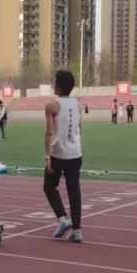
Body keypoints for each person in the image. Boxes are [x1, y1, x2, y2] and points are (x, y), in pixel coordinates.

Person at [43, 70, 83, 243]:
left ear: (58, 87)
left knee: (49, 187)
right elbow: (79, 128)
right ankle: (77, 230)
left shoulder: (52, 106)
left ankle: (63, 219)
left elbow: (49, 132)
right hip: (75, 154)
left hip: (58, 154)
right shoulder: (78, 104)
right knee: (74, 191)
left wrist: (47, 157)